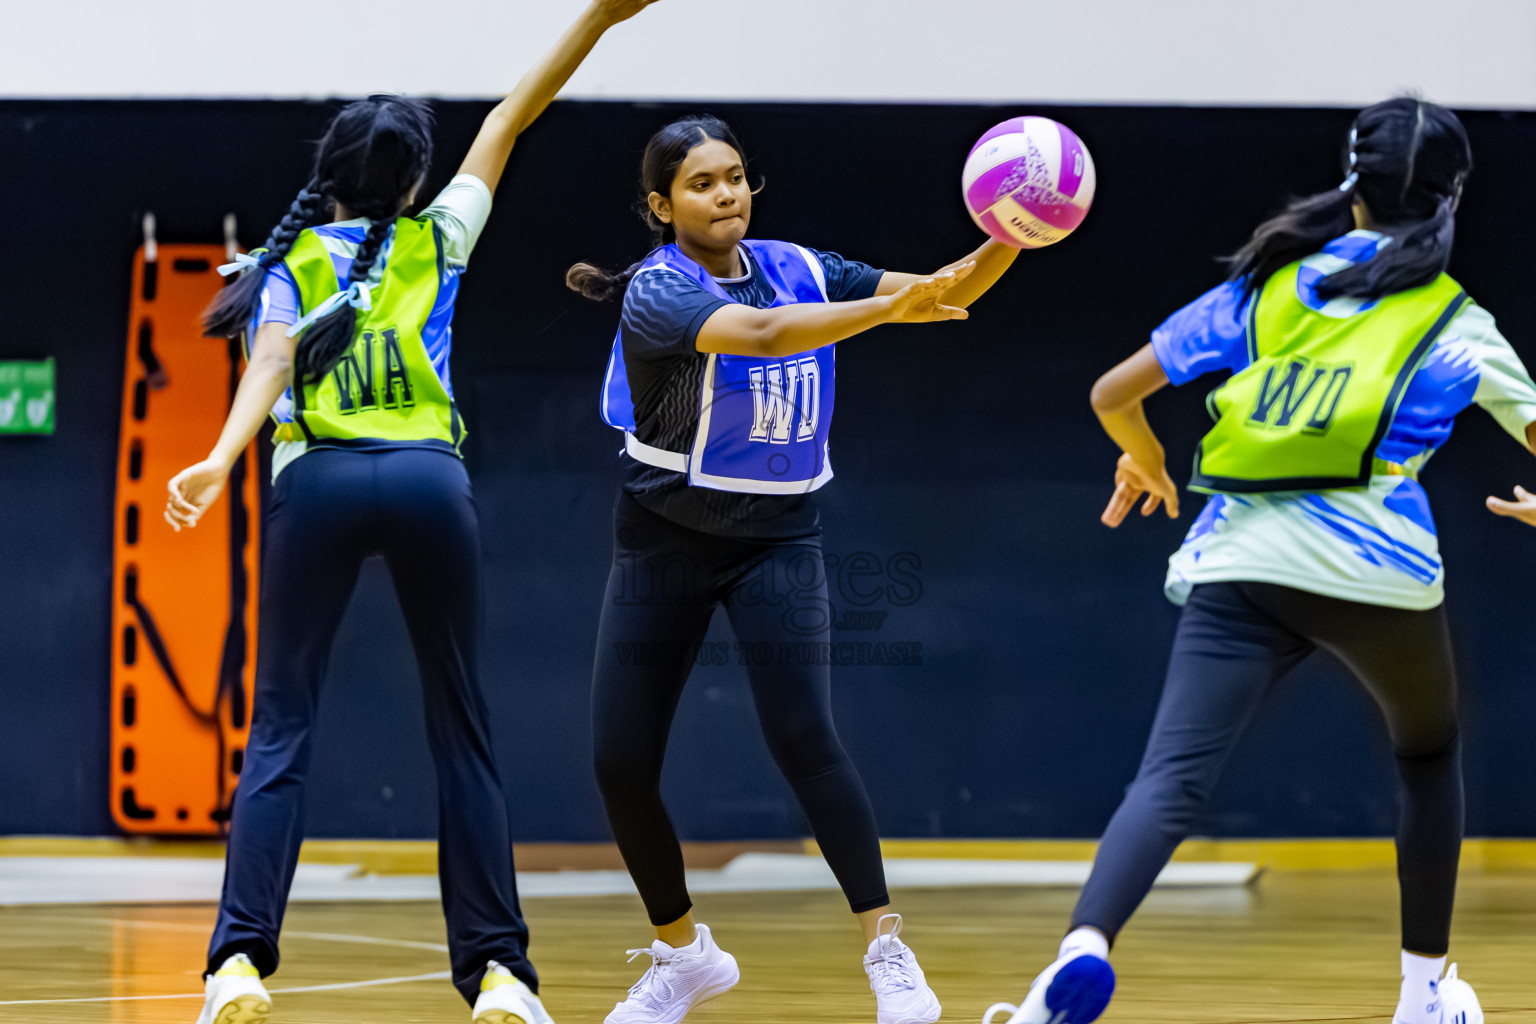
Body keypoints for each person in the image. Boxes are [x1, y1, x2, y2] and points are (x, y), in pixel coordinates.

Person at [983, 97, 1536, 1024]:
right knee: (1429, 757)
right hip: (1378, 570)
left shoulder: (1270, 286)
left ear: (1352, 187)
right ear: (1450, 198)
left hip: (1240, 558)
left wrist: (1147, 456)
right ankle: (1424, 994)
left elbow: (1114, 392)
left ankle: (1075, 958)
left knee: (1168, 778)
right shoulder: (1457, 321)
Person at [164, 4, 661, 1023]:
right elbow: (515, 114)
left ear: (331, 172)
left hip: (321, 481)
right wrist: (601, 19)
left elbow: (266, 362)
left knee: (281, 728)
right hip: (431, 481)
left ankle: (236, 967)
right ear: (414, 178)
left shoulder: (287, 256)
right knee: (462, 730)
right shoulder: (440, 235)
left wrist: (218, 457)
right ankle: (500, 976)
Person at [566, 113, 1021, 1024]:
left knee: (805, 737)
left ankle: (888, 951)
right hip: (663, 539)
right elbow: (770, 336)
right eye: (702, 183)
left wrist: (1013, 229)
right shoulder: (659, 292)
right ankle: (684, 953)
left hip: (777, 538)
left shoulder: (800, 263)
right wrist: (896, 307)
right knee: (619, 760)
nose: (727, 192)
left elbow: (942, 291)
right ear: (663, 206)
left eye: (736, 176)